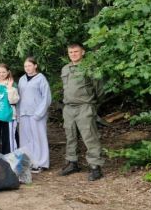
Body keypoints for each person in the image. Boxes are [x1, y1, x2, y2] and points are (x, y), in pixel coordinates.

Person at [61, 43, 104, 181]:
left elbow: (99, 89)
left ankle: (95, 167)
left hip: (84, 106)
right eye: (70, 52)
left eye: (76, 51)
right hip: (68, 108)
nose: (73, 54)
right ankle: (72, 163)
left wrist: (92, 103)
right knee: (70, 135)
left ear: (83, 52)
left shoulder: (89, 68)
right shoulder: (65, 69)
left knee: (89, 136)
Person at [17, 57, 52, 172]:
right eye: (25, 66)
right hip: (23, 113)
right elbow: (18, 97)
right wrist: (17, 113)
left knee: (38, 138)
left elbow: (46, 97)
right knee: (25, 139)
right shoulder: (22, 79)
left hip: (36, 114)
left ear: (35, 66)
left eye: (29, 65)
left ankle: (41, 163)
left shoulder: (41, 79)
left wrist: (39, 113)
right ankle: (29, 162)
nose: (27, 68)